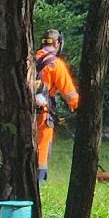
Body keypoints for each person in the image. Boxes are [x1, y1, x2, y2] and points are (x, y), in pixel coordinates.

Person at [34, 28, 80, 183]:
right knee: (42, 146)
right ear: (58, 43)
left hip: (22, 112)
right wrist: (79, 108)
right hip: (43, 113)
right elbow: (70, 94)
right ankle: (38, 181)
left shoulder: (31, 59)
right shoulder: (56, 64)